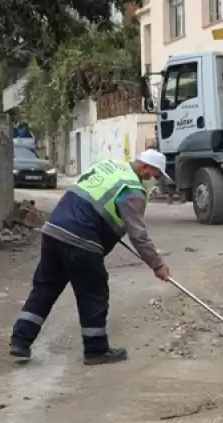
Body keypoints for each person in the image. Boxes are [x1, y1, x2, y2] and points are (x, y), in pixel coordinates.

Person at [10, 150, 171, 366]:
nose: (155, 181)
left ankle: (20, 341)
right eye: (156, 175)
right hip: (81, 238)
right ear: (144, 168)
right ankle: (96, 350)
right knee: (93, 292)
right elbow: (138, 234)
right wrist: (157, 265)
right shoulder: (132, 189)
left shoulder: (110, 165)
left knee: (45, 287)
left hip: (54, 229)